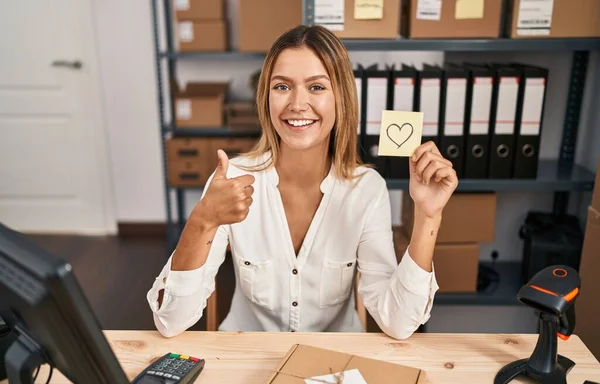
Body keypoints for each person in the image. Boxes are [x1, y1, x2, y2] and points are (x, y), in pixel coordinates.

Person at [147, 25, 458, 340]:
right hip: (250, 356)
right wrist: (202, 219)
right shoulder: (231, 180)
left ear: (342, 98)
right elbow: (170, 321)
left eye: (317, 87)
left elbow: (399, 323)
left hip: (333, 367)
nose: (297, 104)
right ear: (266, 97)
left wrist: (428, 215)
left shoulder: (367, 190)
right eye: (282, 87)